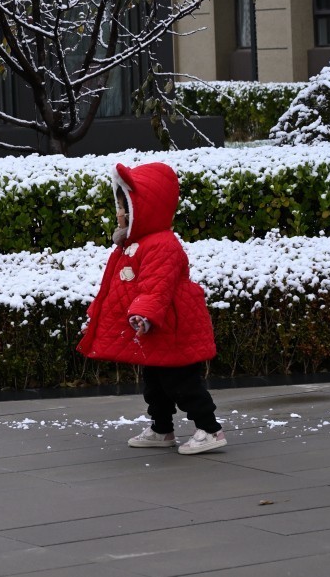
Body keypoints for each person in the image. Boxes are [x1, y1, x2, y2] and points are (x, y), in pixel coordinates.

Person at [77, 161, 226, 455]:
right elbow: (114, 287)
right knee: (155, 384)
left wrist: (144, 313)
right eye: (119, 207)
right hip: (154, 329)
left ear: (141, 210)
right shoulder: (135, 244)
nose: (118, 213)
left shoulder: (162, 244)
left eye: (123, 207)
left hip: (171, 328)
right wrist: (98, 314)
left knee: (182, 383)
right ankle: (161, 428)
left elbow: (157, 286)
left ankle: (210, 429)